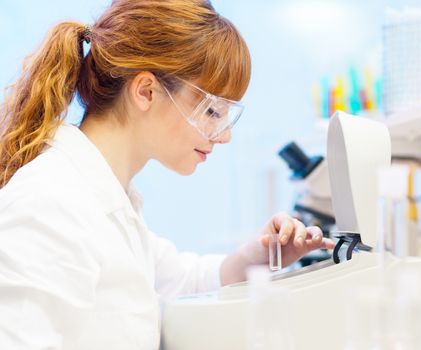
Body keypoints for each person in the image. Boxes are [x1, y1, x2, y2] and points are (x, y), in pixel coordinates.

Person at [0, 0, 335, 348]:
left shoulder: (111, 201)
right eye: (211, 109)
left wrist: (255, 258)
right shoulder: (49, 206)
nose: (223, 135)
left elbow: (180, 282)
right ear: (146, 92)